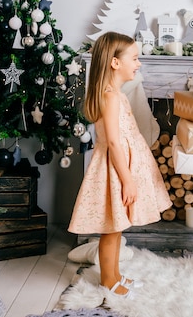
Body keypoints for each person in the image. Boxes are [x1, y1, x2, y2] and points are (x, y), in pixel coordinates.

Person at [68, 32, 172, 298]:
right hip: (115, 170)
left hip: (120, 166)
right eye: (134, 58)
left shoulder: (115, 94)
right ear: (115, 62)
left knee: (116, 228)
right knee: (111, 231)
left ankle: (114, 276)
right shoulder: (111, 97)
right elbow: (113, 142)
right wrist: (127, 180)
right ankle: (108, 281)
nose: (138, 64)